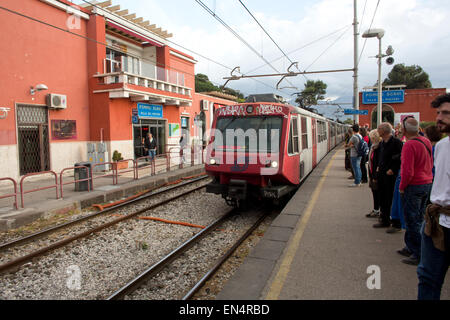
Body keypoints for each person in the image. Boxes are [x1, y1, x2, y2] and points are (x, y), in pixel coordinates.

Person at [417, 93, 450, 300]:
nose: (439, 117)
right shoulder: (441, 147)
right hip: (436, 222)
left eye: (446, 113)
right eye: (438, 113)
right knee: (427, 277)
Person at [398, 117, 434, 265]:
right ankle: (410, 246)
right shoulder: (425, 141)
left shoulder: (409, 145)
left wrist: (401, 187)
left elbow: (407, 171)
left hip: (414, 186)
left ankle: (418, 253)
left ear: (405, 130)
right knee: (419, 218)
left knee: (412, 220)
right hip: (427, 183)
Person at [373, 122, 403, 229]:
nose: (377, 131)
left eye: (379, 129)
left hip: (391, 176)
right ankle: (384, 219)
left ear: (384, 131)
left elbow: (400, 157)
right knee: (383, 198)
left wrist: (393, 169)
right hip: (382, 174)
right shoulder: (381, 144)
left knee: (392, 199)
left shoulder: (396, 143)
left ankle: (396, 222)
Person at [366, 129, 381, 218]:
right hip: (372, 174)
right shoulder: (373, 147)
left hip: (376, 175)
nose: (370, 139)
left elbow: (378, 163)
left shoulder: (378, 148)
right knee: (375, 192)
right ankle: (376, 209)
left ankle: (378, 211)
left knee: (377, 193)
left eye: (371, 137)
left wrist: (375, 176)